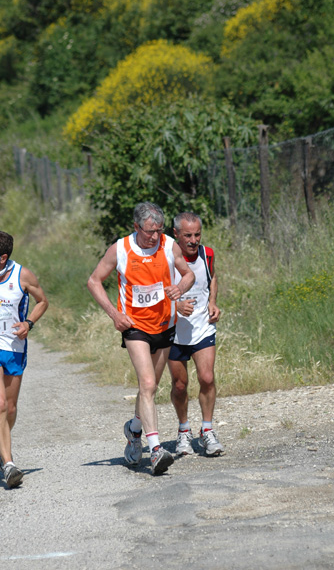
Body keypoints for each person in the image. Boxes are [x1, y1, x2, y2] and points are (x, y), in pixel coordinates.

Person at [87, 202, 194, 475]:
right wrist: (114, 314)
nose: (154, 236)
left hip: (164, 325)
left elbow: (189, 274)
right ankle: (156, 450)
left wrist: (179, 288)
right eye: (148, 231)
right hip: (134, 326)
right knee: (146, 383)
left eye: (158, 230)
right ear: (136, 227)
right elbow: (94, 281)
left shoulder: (169, 245)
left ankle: (134, 430)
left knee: (151, 387)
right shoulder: (120, 249)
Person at [0, 230, 48, 488]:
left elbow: (42, 301)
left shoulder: (22, 275)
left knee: (10, 408)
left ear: (3, 257)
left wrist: (29, 323)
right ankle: (9, 464)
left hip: (13, 347)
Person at [168, 212, 225, 457]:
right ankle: (183, 431)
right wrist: (174, 306)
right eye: (188, 235)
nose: (194, 240)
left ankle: (208, 431)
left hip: (202, 327)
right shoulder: (165, 258)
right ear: (176, 235)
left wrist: (213, 302)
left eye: (197, 234)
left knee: (207, 377)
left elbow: (211, 279)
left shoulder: (207, 254)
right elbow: (152, 290)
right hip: (172, 331)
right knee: (180, 385)